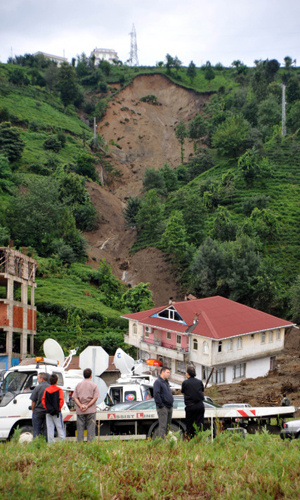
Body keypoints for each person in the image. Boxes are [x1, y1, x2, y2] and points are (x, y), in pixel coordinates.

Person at [73, 368, 100, 442]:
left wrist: (81, 405)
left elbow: (75, 397)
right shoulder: (94, 385)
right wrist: (87, 406)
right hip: (91, 410)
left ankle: (80, 443)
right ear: (91, 375)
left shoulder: (78, 385)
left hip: (80, 410)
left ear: (83, 375)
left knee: (80, 428)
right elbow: (95, 398)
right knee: (91, 428)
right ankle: (90, 443)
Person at [181, 366, 205, 439]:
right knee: (199, 424)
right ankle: (199, 439)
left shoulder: (185, 383)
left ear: (188, 374)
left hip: (190, 406)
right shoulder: (199, 382)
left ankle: (190, 440)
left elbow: (183, 392)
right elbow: (202, 390)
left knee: (189, 425)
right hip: (200, 405)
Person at [42, 373, 65, 443]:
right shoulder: (59, 390)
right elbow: (62, 400)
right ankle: (62, 444)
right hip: (57, 412)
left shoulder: (46, 390)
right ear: (56, 381)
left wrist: (48, 408)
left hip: (48, 412)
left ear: (50, 381)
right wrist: (58, 409)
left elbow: (43, 401)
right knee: (60, 428)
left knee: (50, 429)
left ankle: (51, 444)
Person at [153, 366, 174, 438]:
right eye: (167, 372)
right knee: (163, 426)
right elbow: (156, 394)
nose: (169, 374)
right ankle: (162, 441)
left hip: (169, 406)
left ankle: (166, 440)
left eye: (169, 373)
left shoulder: (166, 382)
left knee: (168, 426)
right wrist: (161, 405)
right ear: (162, 372)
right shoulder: (158, 382)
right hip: (163, 407)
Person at [30, 372, 49, 439]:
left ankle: (36, 444)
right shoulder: (50, 387)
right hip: (48, 412)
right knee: (47, 430)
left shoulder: (37, 388)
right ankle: (46, 444)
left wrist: (33, 409)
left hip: (38, 411)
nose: (37, 380)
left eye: (38, 378)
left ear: (42, 379)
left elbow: (33, 401)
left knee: (36, 430)